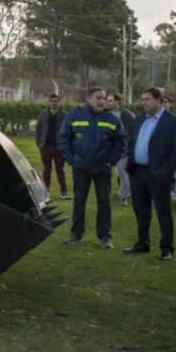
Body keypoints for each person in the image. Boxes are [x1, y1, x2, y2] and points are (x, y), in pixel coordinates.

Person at [58, 86, 126, 249]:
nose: (102, 101)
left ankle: (105, 237)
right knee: (79, 201)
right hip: (81, 167)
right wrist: (72, 160)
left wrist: (110, 162)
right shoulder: (75, 115)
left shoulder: (111, 119)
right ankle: (76, 234)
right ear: (88, 99)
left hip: (103, 169)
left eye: (104, 98)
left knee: (104, 202)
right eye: (98, 98)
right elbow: (63, 139)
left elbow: (121, 142)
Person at [123, 87, 176, 260]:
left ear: (159, 100)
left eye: (148, 99)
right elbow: (132, 141)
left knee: (163, 211)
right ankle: (142, 242)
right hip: (137, 171)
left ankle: (166, 247)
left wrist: (168, 171)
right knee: (140, 209)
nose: (144, 102)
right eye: (143, 99)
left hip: (158, 172)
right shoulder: (139, 119)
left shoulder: (173, 121)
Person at [35, 94, 69, 199]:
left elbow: (69, 130)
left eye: (56, 101)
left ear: (59, 102)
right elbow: (38, 128)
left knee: (60, 169)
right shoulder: (43, 114)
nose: (54, 103)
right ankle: (46, 191)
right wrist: (39, 143)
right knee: (47, 169)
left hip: (59, 147)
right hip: (46, 146)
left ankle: (64, 191)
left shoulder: (65, 115)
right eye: (52, 101)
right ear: (49, 102)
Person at [106, 92, 136, 206]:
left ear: (117, 101)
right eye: (107, 100)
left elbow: (134, 131)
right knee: (105, 174)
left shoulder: (128, 115)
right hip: (106, 149)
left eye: (110, 100)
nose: (107, 103)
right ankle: (105, 195)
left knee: (123, 174)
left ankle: (123, 197)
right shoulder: (104, 114)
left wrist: (129, 147)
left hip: (122, 149)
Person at [162, 95, 176, 199]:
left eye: (166, 102)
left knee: (171, 172)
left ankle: (171, 191)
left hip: (171, 150)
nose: (163, 104)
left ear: (170, 104)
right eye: (162, 102)